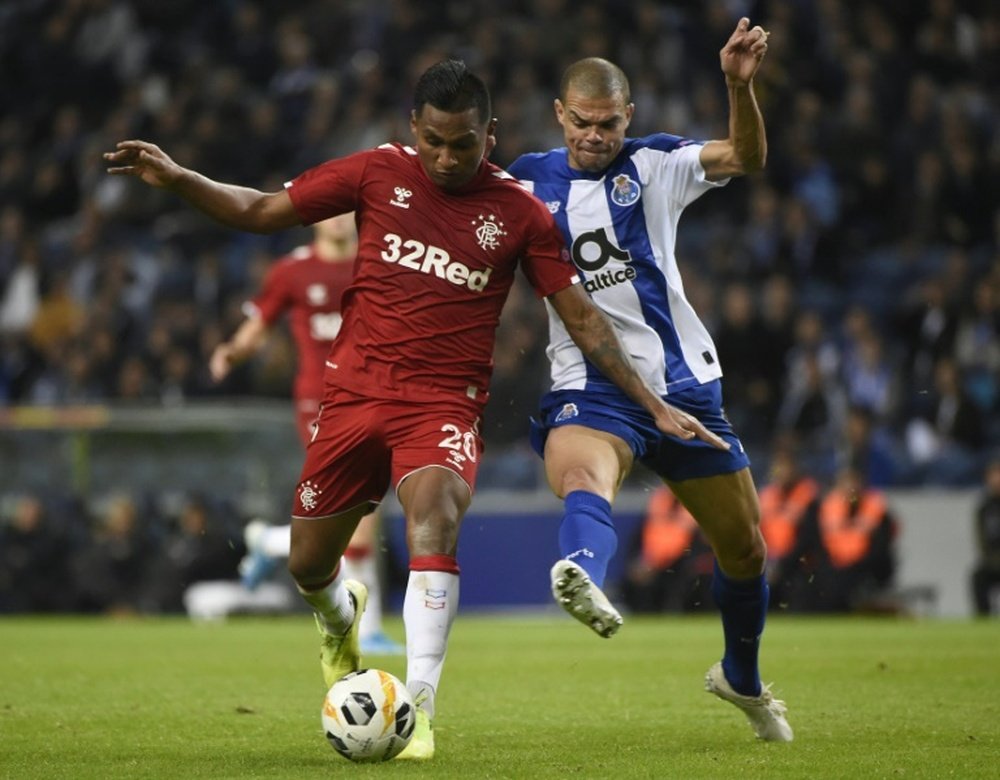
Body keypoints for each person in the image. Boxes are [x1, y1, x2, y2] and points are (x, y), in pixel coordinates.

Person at [105, 59, 724, 760]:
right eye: (433, 140)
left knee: (436, 516)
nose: (446, 157)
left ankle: (419, 711)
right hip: (354, 397)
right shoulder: (374, 172)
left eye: (462, 143)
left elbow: (582, 318)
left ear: (488, 135)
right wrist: (180, 177)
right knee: (310, 563)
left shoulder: (518, 210)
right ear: (413, 128)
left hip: (442, 406)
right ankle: (340, 623)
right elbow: (257, 210)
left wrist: (652, 404)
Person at [508, 19, 794, 741]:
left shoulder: (656, 163)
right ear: (559, 115)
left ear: (627, 117)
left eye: (608, 124)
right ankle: (581, 570)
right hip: (593, 385)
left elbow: (748, 157)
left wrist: (738, 86)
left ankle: (743, 677)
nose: (594, 136)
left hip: (683, 385)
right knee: (583, 474)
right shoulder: (525, 181)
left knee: (746, 550)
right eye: (582, 123)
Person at [209, 213, 404, 655]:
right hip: (321, 401)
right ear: (315, 220)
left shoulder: (381, 261)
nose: (337, 221)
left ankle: (271, 541)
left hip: (378, 397)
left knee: (361, 518)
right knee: (358, 520)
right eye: (328, 212)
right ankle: (367, 630)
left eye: (344, 212)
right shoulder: (293, 270)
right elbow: (258, 326)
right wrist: (233, 351)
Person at [813, 464, 897, 612]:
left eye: (853, 482)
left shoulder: (876, 508)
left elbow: (882, 546)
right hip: (835, 564)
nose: (850, 488)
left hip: (866, 567)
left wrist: (856, 563)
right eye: (846, 483)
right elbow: (820, 541)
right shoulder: (829, 507)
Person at [621, 486, 713, 614]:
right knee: (635, 575)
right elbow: (638, 541)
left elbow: (699, 546)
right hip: (653, 561)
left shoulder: (697, 509)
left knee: (689, 573)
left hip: (682, 563)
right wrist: (642, 562)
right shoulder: (656, 508)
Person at [971, 458, 1000, 616]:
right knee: (978, 577)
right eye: (993, 475)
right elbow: (981, 540)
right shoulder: (985, 507)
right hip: (993, 561)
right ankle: (984, 618)